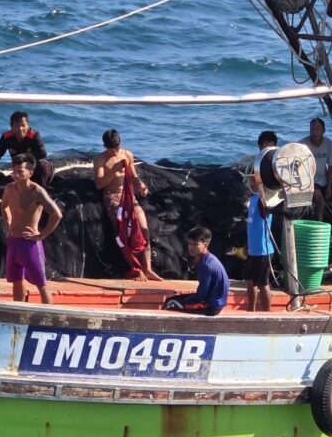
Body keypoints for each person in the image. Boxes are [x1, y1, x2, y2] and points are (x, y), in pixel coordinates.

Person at [92, 129, 163, 281]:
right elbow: (99, 184)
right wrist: (113, 170)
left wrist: (141, 185)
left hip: (129, 196)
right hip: (112, 197)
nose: (115, 152)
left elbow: (134, 175)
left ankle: (148, 268)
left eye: (117, 147)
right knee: (122, 231)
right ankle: (135, 268)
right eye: (111, 149)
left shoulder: (127, 154)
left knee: (143, 229)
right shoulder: (100, 160)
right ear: (105, 147)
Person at [0, 153, 63, 304]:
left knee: (41, 284)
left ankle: (49, 314)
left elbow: (56, 214)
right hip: (13, 241)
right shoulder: (9, 188)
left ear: (30, 173)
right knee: (16, 281)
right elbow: (4, 206)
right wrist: (8, 223)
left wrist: (42, 235)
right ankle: (18, 311)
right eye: (14, 171)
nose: (16, 174)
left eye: (20, 171)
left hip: (30, 244)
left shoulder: (37, 191)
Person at [162, 226, 229, 316]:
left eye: (195, 244)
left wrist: (186, 300)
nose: (191, 247)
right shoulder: (208, 258)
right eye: (189, 243)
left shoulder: (205, 265)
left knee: (171, 304)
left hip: (211, 306)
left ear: (205, 245)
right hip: (211, 300)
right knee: (171, 300)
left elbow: (201, 295)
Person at [0, 111, 53, 187]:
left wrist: (24, 156)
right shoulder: (6, 137)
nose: (20, 129)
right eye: (17, 126)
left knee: (42, 164)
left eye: (23, 125)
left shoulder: (34, 135)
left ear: (28, 125)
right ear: (11, 126)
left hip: (36, 169)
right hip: (20, 170)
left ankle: (42, 188)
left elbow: (42, 152)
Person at [299, 118, 332, 222]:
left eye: (317, 129)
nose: (315, 132)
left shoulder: (329, 144)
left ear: (323, 130)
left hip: (324, 179)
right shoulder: (302, 145)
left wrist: (329, 186)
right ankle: (319, 228)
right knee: (320, 201)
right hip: (309, 181)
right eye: (312, 129)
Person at [246, 176, 274, 311]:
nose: (250, 184)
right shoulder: (252, 199)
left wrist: (264, 195)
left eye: (253, 181)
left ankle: (267, 313)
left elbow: (266, 212)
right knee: (250, 281)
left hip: (263, 250)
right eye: (250, 181)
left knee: (263, 283)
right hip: (252, 249)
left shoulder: (262, 200)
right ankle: (251, 310)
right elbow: (251, 226)